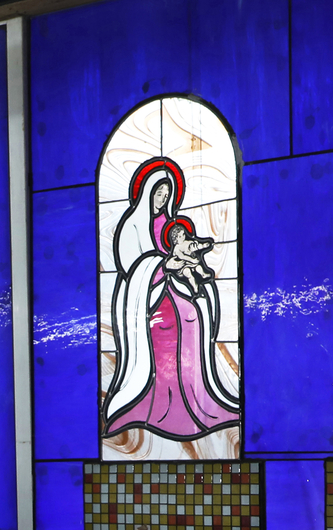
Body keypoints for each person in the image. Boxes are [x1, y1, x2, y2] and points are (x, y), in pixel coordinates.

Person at [103, 157, 240, 443]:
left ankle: (198, 402)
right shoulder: (132, 226)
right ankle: (159, 407)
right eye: (158, 194)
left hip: (177, 292)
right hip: (149, 301)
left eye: (166, 195)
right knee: (167, 332)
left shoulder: (171, 224)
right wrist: (162, 266)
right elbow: (132, 269)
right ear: (147, 193)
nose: (162, 199)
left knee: (192, 319)